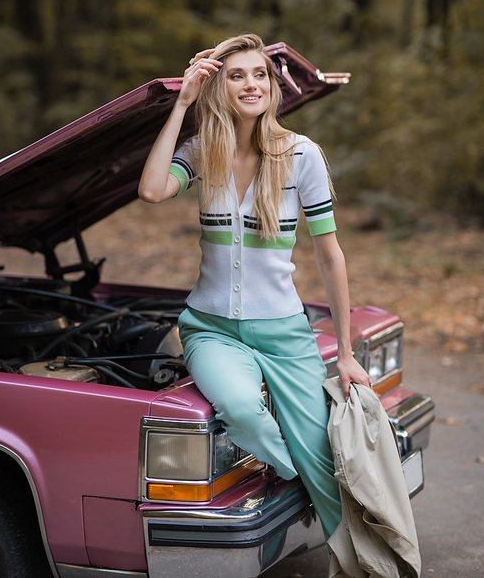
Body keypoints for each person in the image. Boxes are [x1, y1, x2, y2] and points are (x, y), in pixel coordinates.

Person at [138, 33, 371, 543]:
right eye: (236, 74)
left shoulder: (301, 155)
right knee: (243, 410)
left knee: (329, 472)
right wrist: (182, 103)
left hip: (284, 333)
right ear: (220, 87)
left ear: (272, 86)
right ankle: (296, 482)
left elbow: (330, 254)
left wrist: (347, 351)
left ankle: (354, 558)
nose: (251, 84)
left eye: (259, 74)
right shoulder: (202, 153)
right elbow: (152, 189)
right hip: (211, 329)